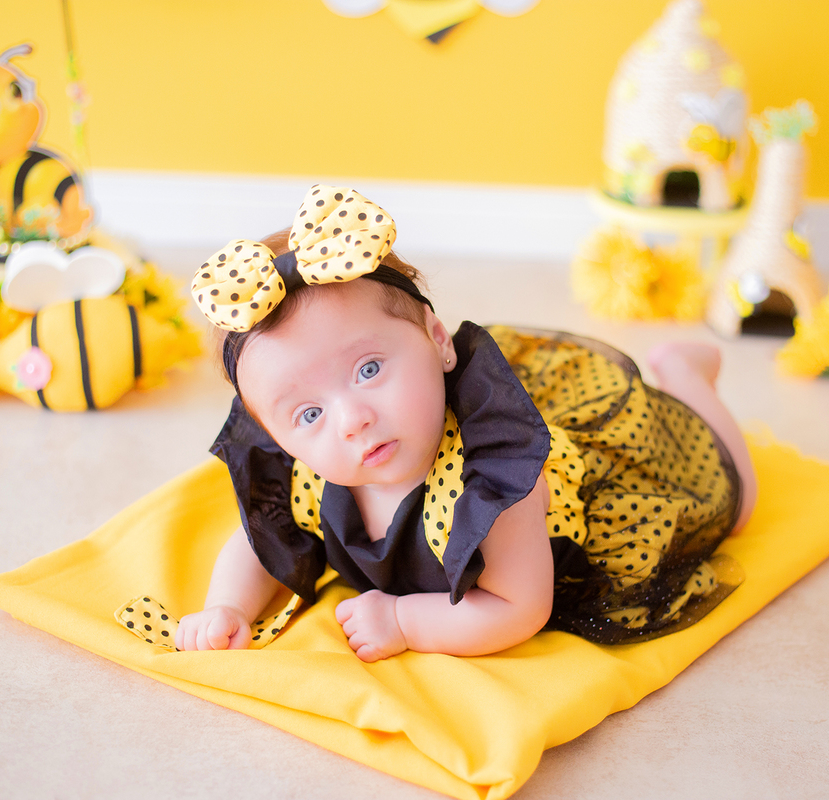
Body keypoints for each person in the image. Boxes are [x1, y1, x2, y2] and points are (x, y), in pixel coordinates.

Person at [177, 185, 757, 661]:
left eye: (370, 368)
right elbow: (258, 545)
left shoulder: (497, 482)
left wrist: (405, 619)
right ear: (277, 437)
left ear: (436, 339)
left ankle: (689, 379)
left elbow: (519, 607)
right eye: (308, 414)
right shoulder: (311, 473)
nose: (352, 419)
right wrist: (227, 607)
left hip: (600, 509)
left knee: (734, 497)